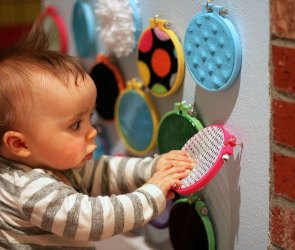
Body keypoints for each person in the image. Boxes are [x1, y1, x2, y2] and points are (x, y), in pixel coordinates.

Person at [0, 23, 194, 249]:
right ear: (20, 144)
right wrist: (152, 193)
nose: (92, 131)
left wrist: (153, 168)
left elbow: (106, 172)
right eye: (75, 125)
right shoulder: (27, 189)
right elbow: (92, 219)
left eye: (89, 118)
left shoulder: (59, 163)